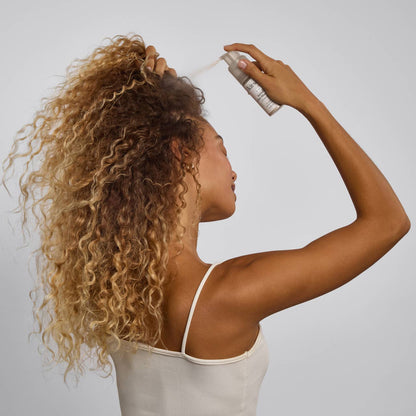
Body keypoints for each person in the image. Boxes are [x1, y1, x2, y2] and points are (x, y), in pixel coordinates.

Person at [1, 34, 410, 415]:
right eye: (222, 149)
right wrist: (306, 101)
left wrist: (167, 109)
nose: (234, 171)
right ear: (181, 153)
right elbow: (388, 221)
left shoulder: (118, 295)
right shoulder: (227, 294)